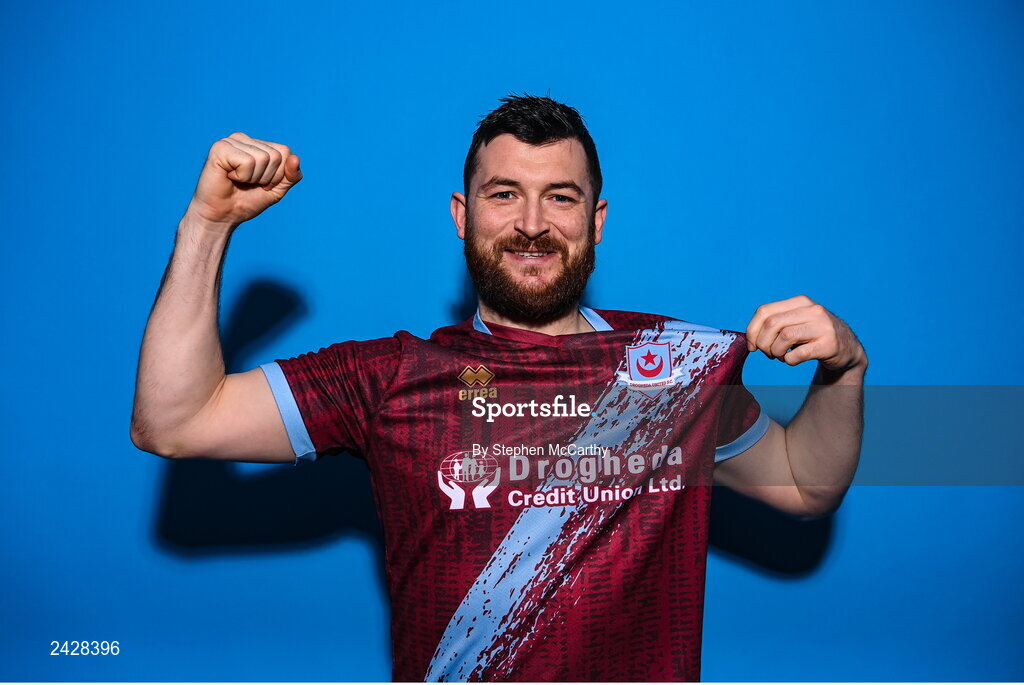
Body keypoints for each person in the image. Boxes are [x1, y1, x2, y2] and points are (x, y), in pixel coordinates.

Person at [131, 94, 867, 682]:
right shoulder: (389, 377)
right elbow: (176, 420)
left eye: (562, 198)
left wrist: (846, 368)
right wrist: (209, 223)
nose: (532, 224)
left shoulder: (674, 366)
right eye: (505, 193)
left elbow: (805, 483)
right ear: (463, 215)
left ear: (597, 221)